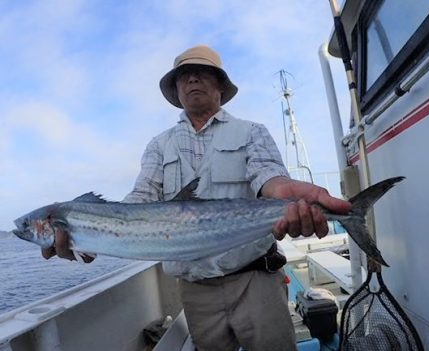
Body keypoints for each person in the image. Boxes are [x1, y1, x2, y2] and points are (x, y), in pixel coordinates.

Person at [42, 45, 351, 351]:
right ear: (176, 90)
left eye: (202, 73)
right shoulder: (159, 145)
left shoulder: (252, 132)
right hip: (196, 291)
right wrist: (91, 238)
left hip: (255, 281)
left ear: (220, 86)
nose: (192, 79)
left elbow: (269, 177)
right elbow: (140, 199)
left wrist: (283, 190)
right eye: (184, 76)